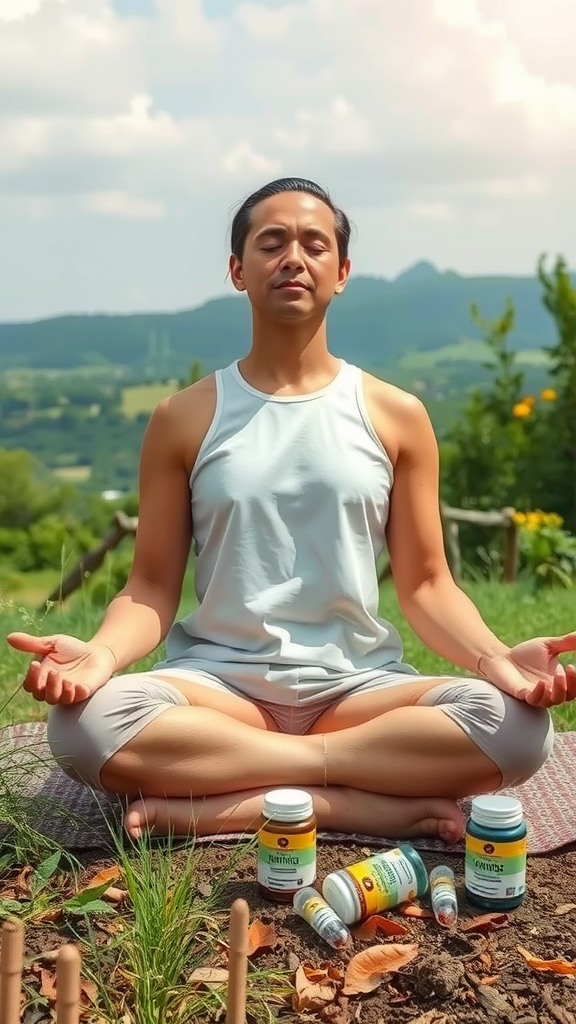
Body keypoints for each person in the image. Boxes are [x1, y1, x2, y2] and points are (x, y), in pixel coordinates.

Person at [7, 177, 575, 845]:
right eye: (270, 243)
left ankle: (232, 802)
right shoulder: (182, 418)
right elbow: (151, 587)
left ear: (342, 272)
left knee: (516, 731)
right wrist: (100, 657)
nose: (293, 258)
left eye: (314, 244)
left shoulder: (397, 417)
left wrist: (495, 658)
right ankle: (353, 804)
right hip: (218, 690)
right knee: (82, 727)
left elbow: (426, 584)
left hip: (357, 691)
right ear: (237, 271)